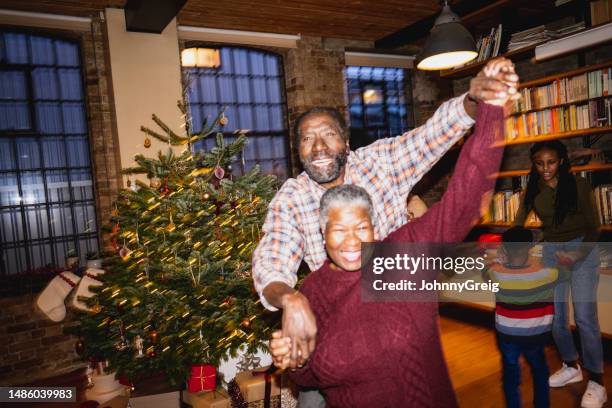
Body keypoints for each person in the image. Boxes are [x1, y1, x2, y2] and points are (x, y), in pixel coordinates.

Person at [252, 58, 519, 374]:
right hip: (340, 323)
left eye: (328, 135)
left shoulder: (380, 163)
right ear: (299, 152)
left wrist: (474, 98)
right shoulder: (293, 196)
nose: (319, 147)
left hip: (399, 311)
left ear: (347, 144)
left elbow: (433, 134)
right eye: (308, 139)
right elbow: (271, 259)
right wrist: (290, 298)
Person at [514, 140, 605, 408]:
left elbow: (594, 228)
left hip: (582, 249)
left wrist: (578, 254)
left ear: (562, 161)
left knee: (585, 316)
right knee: (556, 317)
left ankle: (597, 381)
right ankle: (570, 366)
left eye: (551, 162)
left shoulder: (578, 186)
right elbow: (518, 225)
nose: (545, 168)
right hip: (553, 253)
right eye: (539, 163)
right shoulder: (532, 190)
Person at [485, 227, 559, 408]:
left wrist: (496, 259)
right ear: (530, 247)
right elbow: (561, 271)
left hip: (507, 335)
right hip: (536, 334)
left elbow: (486, 273)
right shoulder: (547, 273)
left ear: (504, 248)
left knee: (510, 375)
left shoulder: (496, 272)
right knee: (539, 370)